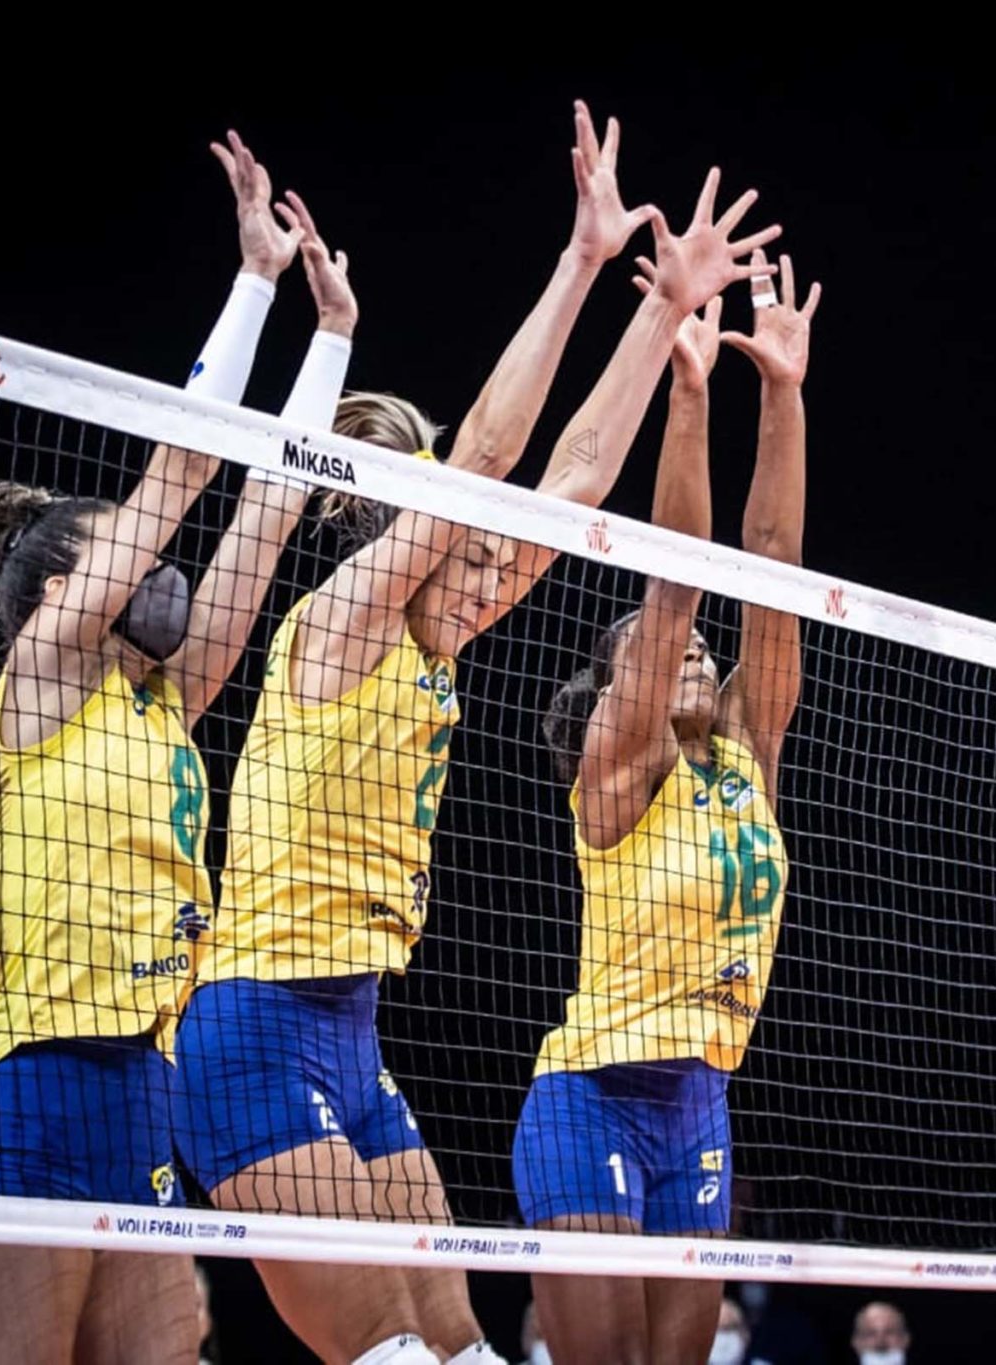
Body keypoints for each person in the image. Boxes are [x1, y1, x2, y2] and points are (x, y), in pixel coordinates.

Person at [172, 101, 776, 1365]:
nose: (494, 569)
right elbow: (492, 463)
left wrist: (664, 309)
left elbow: (575, 480)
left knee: (465, 1355)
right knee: (393, 1359)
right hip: (251, 1031)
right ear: (405, 535)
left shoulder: (438, 642)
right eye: (465, 548)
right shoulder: (340, 623)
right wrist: (581, 259)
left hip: (352, 1034)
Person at [0, 130, 352, 1365]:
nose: (162, 563)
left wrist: (331, 338)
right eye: (131, 545)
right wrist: (254, 284)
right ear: (64, 586)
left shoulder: (164, 699)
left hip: (144, 1091)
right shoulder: (45, 675)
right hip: (34, 1094)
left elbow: (265, 510)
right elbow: (183, 466)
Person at [516, 250, 815, 1365]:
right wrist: (688, 394)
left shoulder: (746, 755)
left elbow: (773, 563)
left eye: (696, 649)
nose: (686, 649)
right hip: (591, 1097)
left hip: (700, 1108)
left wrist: (780, 395)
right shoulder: (620, 772)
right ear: (619, 689)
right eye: (653, 649)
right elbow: (675, 581)